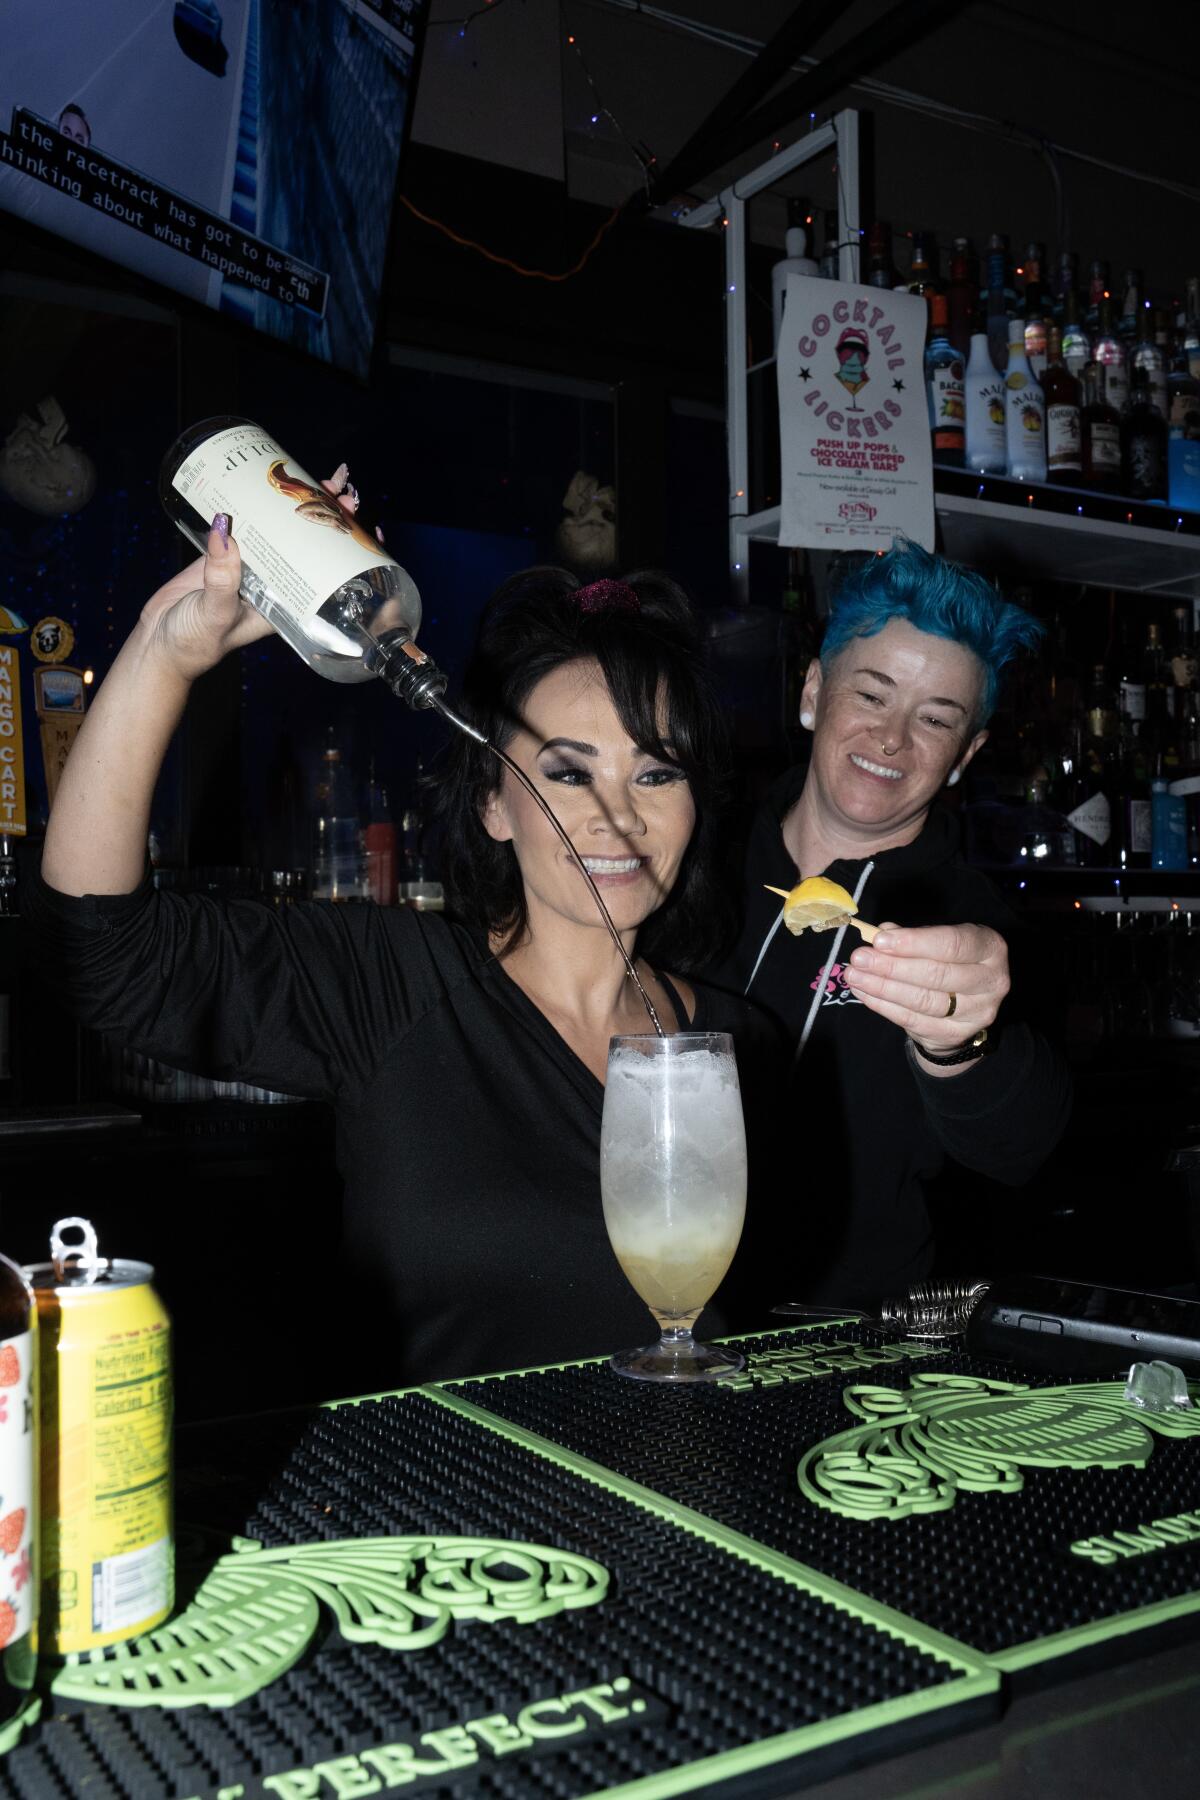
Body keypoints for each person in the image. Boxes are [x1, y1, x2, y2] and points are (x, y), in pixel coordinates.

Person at [31, 510, 777, 1390]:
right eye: (570, 773)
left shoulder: (736, 1050)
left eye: (657, 773)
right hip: (443, 1510)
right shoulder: (397, 988)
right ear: (495, 807)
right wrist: (166, 653)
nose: (619, 817)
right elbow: (113, 952)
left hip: (682, 1503)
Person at [707, 538, 1071, 1313]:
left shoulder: (976, 925)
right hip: (644, 1310)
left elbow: (1023, 1149)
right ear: (813, 694)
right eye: (871, 695)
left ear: (965, 756)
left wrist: (960, 1041)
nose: (893, 739)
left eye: (935, 720)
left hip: (852, 1339)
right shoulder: (692, 858)